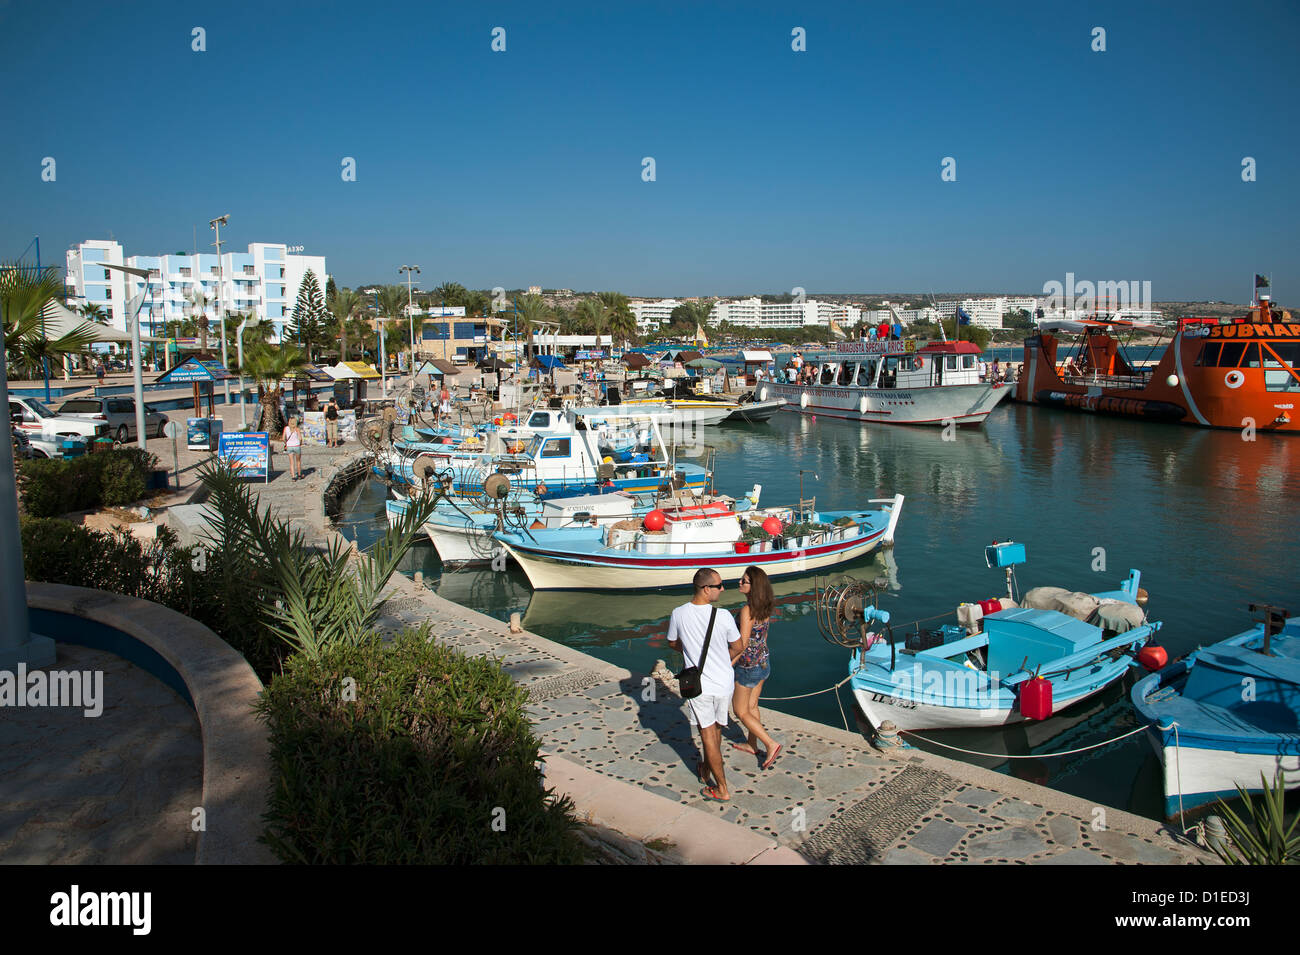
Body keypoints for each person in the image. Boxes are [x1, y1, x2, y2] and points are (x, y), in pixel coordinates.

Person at [667, 568, 744, 802]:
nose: (722, 589)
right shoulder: (723, 616)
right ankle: (707, 769)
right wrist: (722, 658)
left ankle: (721, 788)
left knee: (707, 735)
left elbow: (672, 643)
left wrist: (688, 650)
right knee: (717, 729)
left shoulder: (679, 614)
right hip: (724, 683)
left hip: (699, 685)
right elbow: (738, 647)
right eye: (719, 585)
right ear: (706, 588)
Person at [732, 566, 782, 769]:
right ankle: (752, 744)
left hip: (747, 667)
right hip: (763, 661)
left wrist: (728, 664)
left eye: (744, 581)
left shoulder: (747, 611)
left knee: (740, 711)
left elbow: (742, 644)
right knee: (752, 707)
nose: (739, 583)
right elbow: (764, 636)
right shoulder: (765, 607)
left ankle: (770, 744)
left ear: (753, 586)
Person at [282, 415, 304, 481]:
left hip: (289, 446)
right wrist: (300, 443)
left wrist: (286, 443)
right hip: (297, 446)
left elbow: (283, 438)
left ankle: (293, 477)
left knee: (291, 462)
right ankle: (299, 475)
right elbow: (300, 438)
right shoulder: (297, 429)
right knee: (298, 461)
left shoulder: (286, 428)